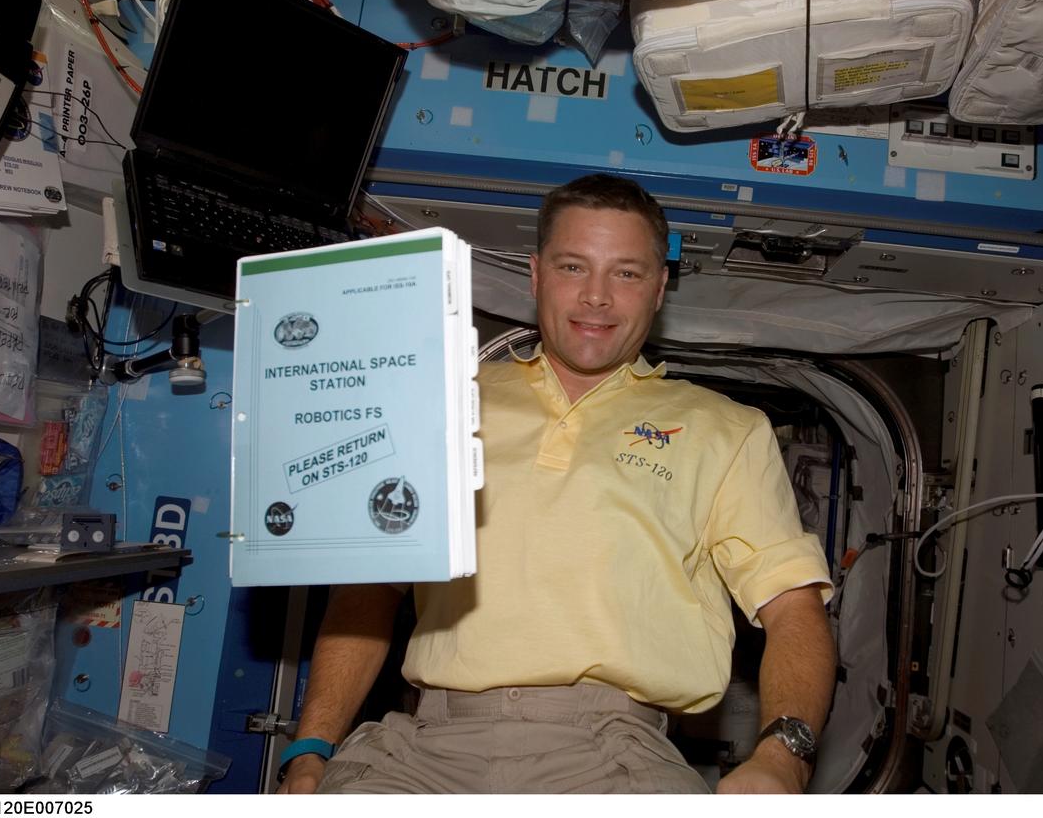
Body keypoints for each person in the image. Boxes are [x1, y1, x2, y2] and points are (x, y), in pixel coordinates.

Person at [278, 174, 836, 795]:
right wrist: (309, 750)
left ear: (658, 289)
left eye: (626, 273)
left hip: (615, 760)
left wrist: (784, 757)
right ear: (537, 274)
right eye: (574, 266)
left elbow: (793, 607)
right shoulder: (438, 399)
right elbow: (371, 588)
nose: (596, 297)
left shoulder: (726, 430)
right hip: (420, 754)